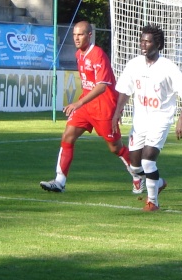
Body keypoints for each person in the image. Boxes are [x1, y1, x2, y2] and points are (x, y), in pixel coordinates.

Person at [40, 21, 138, 193]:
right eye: (74, 35)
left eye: (80, 35)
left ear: (89, 35)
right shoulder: (79, 54)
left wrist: (80, 103)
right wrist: (81, 104)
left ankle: (138, 174)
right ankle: (59, 182)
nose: (76, 38)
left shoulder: (98, 54)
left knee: (115, 148)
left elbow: (102, 86)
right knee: (68, 136)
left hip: (103, 107)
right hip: (86, 106)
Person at [111, 24, 182, 211]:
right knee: (135, 166)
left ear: (158, 44)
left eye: (148, 41)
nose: (143, 44)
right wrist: (117, 112)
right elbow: (125, 90)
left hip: (160, 120)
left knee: (148, 161)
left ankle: (152, 202)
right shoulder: (134, 64)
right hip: (139, 121)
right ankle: (158, 183)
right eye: (142, 40)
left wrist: (181, 119)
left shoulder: (168, 68)